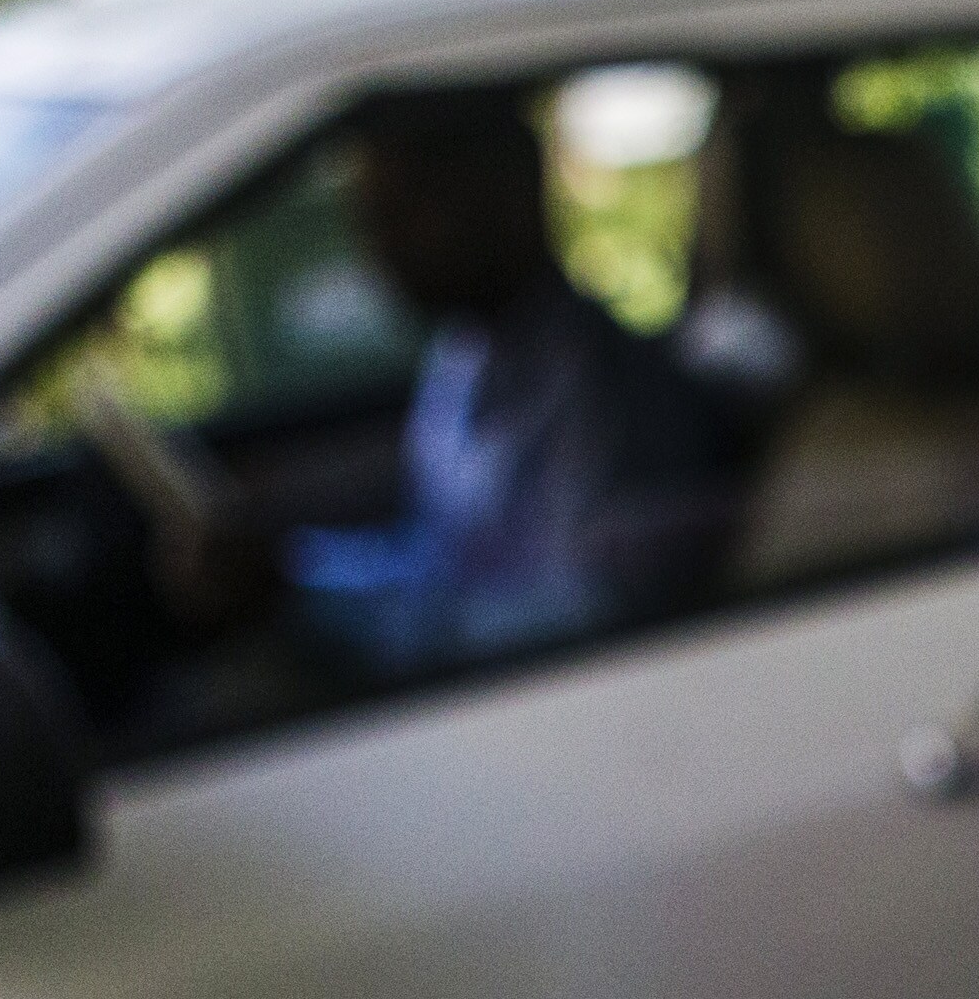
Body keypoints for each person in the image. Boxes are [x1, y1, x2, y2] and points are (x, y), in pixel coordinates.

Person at [207, 94, 733, 677]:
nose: (379, 248)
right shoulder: (466, 352)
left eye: (401, 213)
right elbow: (439, 562)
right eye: (369, 218)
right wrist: (299, 570)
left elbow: (567, 635)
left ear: (503, 200)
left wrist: (309, 599)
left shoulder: (617, 402)